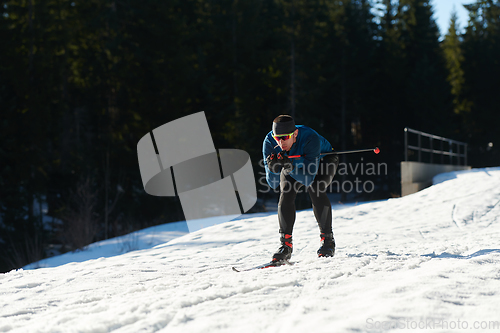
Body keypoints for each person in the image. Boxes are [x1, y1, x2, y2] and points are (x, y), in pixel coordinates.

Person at [262, 115, 339, 262]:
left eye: (284, 137)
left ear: (295, 134)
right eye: (277, 137)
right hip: (291, 163)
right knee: (286, 193)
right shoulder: (269, 142)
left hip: (323, 160)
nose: (280, 142)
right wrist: (272, 168)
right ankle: (285, 246)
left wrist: (288, 166)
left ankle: (328, 241)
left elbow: (308, 179)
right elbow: (272, 183)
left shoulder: (311, 137)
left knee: (315, 187)